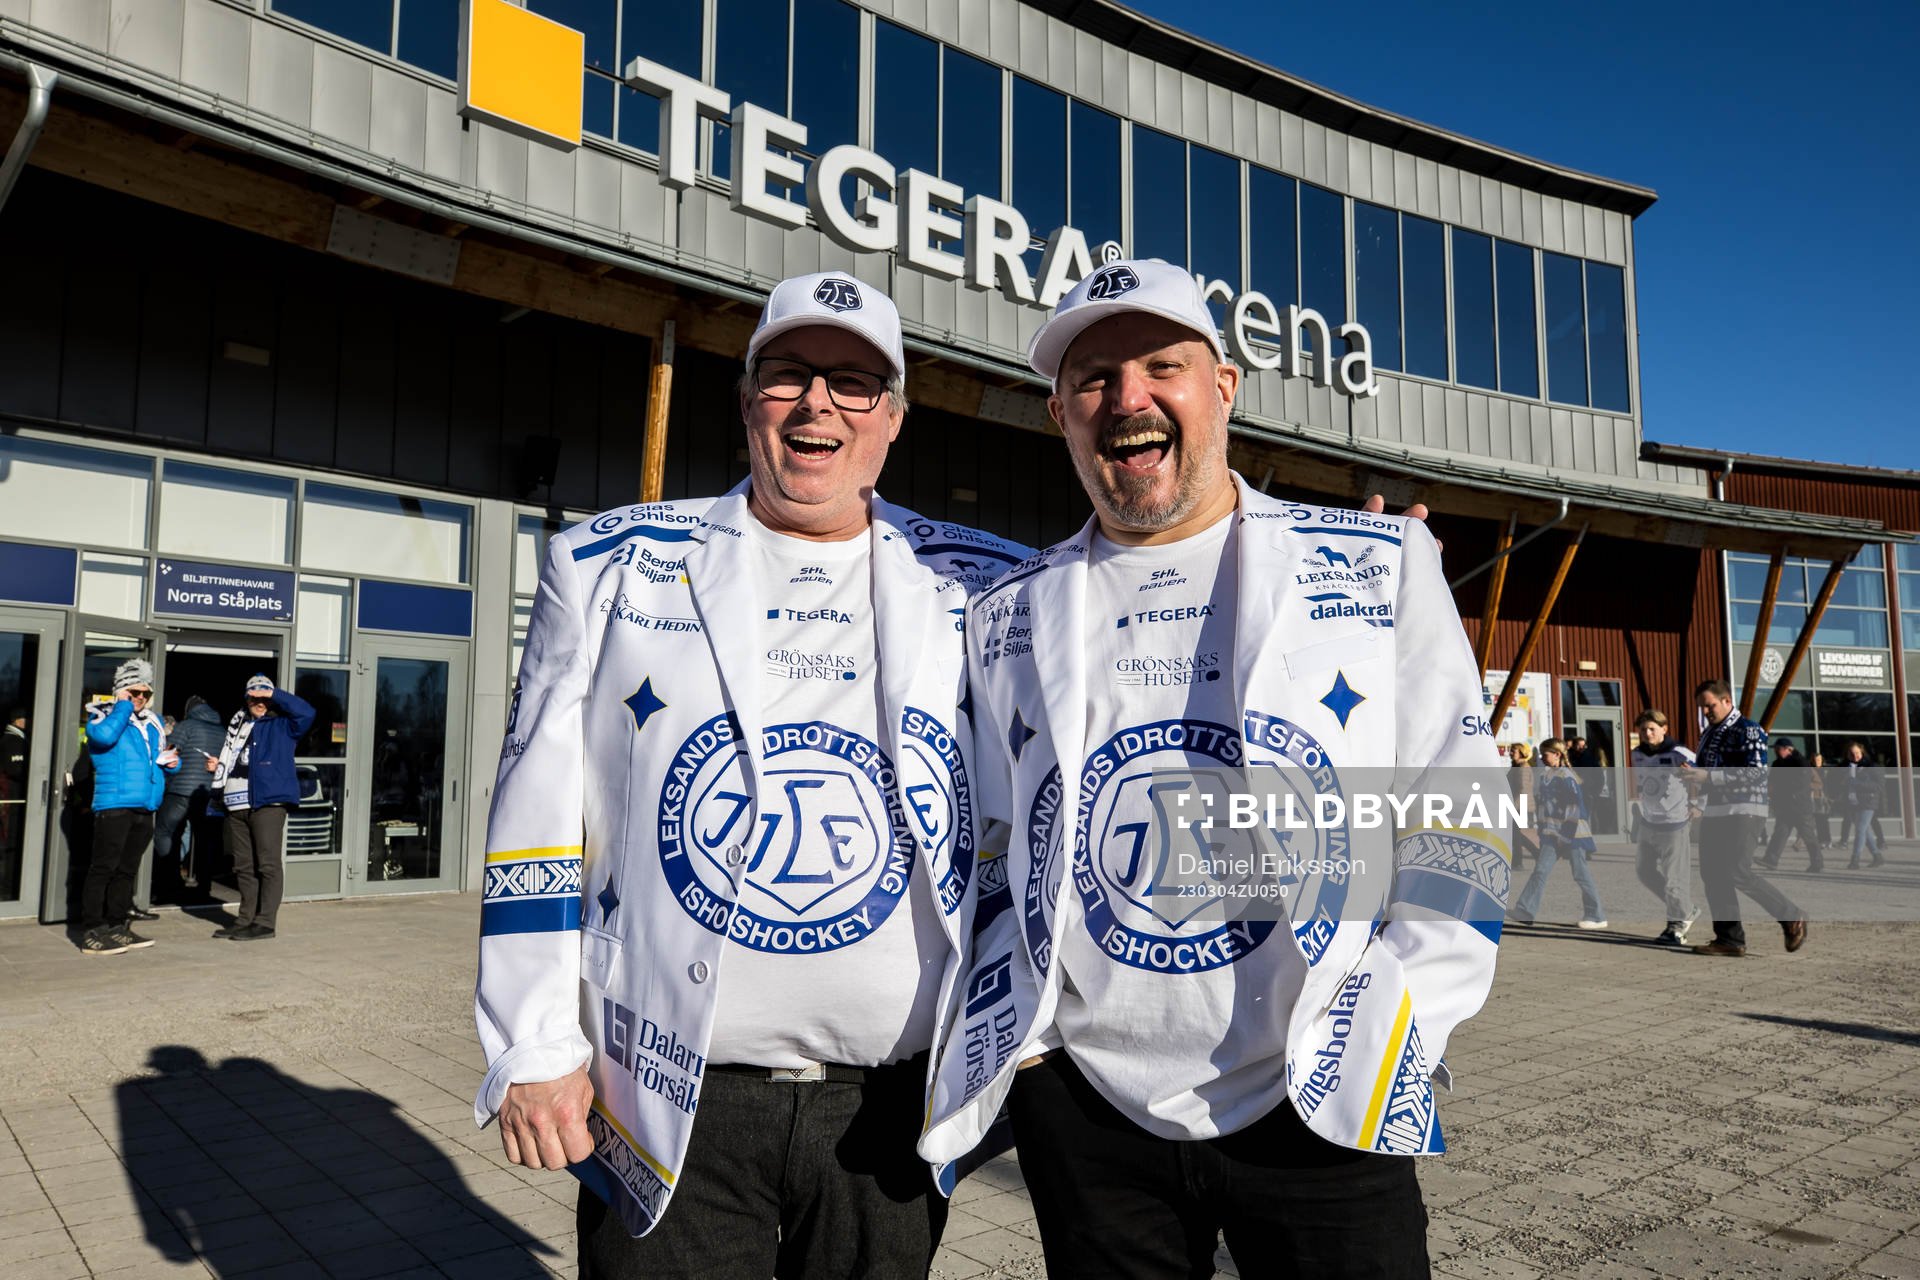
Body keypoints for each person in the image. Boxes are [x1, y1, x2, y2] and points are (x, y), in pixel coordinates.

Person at [919, 259, 1509, 1279]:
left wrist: (1405, 1014)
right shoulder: (1007, 610)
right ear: (1060, 413)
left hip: (1320, 1096)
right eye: (1095, 378)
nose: (1128, 397)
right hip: (1089, 1109)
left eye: (1161, 364)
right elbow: (987, 837)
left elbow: (1459, 801)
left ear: (1223, 388)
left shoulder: (1374, 565)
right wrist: (1030, 1053)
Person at [473, 271, 1033, 1279]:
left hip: (892, 1110)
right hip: (658, 1091)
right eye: (788, 374)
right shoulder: (606, 566)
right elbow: (535, 811)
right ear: (746, 403)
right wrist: (531, 1040)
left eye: (856, 381)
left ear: (894, 417)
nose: (818, 401)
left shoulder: (988, 581)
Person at [1685, 680, 1806, 956]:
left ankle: (1792, 915)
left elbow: (1756, 772)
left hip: (1745, 810)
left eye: (1710, 705)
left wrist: (1710, 776)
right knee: (1712, 874)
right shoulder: (1710, 733)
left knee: (1737, 870)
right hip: (1716, 811)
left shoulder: (1748, 729)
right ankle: (1729, 939)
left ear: (1727, 701)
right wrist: (1692, 773)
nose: (1705, 711)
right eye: (1702, 707)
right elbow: (1708, 769)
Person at [79, 660, 179, 955]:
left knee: (127, 871)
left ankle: (117, 925)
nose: (140, 699)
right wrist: (122, 706)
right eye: (134, 692)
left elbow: (159, 755)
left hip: (145, 805)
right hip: (114, 804)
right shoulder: (102, 715)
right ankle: (92, 930)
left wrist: (173, 763)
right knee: (103, 868)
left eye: (145, 694)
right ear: (122, 691)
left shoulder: (153, 722)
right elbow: (103, 738)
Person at [208, 675, 315, 941]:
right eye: (254, 697)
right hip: (235, 804)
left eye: (263, 697)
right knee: (243, 866)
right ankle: (244, 920)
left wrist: (274, 693)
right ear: (246, 699)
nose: (259, 702)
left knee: (267, 865)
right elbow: (236, 759)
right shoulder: (238, 725)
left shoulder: (283, 725)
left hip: (267, 803)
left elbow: (307, 712)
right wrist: (219, 767)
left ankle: (265, 923)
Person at [1510, 739, 1608, 929]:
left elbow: (1573, 808)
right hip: (1551, 834)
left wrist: (1565, 836)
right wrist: (1542, 828)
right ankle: (1525, 910)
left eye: (1545, 753)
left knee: (1581, 873)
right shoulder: (1546, 776)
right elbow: (1544, 805)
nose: (1541, 757)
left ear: (1557, 754)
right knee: (1540, 871)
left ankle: (1596, 915)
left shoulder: (1566, 776)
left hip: (1572, 836)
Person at [1628, 710, 1698, 945]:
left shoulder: (1679, 753)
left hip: (1674, 824)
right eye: (1643, 730)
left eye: (1652, 729)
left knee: (1674, 880)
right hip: (1649, 822)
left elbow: (1706, 774)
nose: (1647, 733)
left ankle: (1677, 926)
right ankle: (1686, 908)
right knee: (1643, 872)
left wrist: (1700, 805)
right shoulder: (1637, 753)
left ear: (1664, 729)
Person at [153, 694, 224, 901]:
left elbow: (169, 755)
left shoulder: (186, 726)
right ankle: (204, 888)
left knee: (166, 833)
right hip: (209, 793)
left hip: (181, 791)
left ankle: (167, 884)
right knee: (205, 840)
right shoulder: (222, 730)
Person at [1758, 737, 1822, 872]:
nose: (1775, 751)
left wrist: (1782, 789)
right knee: (1780, 833)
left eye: (1778, 749)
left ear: (1789, 749)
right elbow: (1771, 782)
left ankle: (1817, 863)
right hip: (1784, 806)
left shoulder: (1801, 762)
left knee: (1808, 836)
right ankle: (1771, 860)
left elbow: (1802, 784)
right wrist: (1769, 792)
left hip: (1800, 807)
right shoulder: (1776, 764)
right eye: (1775, 749)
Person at [1839, 740, 1887, 870]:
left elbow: (1878, 786)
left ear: (1862, 752)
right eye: (1851, 754)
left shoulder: (1872, 766)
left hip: (1868, 803)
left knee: (1860, 830)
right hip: (1852, 802)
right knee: (1865, 832)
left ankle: (1855, 860)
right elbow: (1841, 783)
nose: (1855, 756)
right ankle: (1877, 857)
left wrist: (1857, 784)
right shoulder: (1847, 767)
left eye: (1857, 753)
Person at [1507, 742, 1538, 869]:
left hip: (1519, 805)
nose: (1510, 753)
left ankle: (1518, 861)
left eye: (1513, 751)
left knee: (1515, 833)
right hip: (1517, 804)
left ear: (1521, 752)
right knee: (1515, 833)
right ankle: (1536, 853)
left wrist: (1512, 806)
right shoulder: (1517, 766)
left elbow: (1522, 789)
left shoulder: (1523, 767)